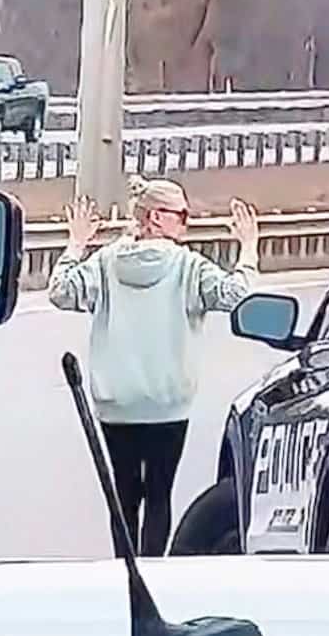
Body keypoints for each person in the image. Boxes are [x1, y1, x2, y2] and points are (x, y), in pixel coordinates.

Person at [48, 178, 260, 558]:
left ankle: (125, 570)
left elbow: (61, 291)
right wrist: (247, 250)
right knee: (160, 494)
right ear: (157, 218)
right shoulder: (189, 267)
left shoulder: (106, 262)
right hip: (168, 401)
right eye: (182, 215)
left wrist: (76, 242)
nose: (186, 224)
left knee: (124, 496)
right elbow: (236, 296)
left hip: (117, 403)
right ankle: (153, 570)